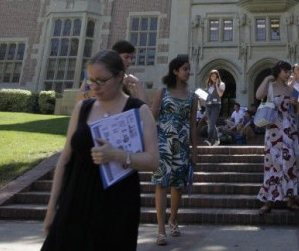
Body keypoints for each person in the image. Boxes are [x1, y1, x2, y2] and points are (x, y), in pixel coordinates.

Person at [42, 50, 159, 251]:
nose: (94, 87)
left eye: (101, 81)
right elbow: (65, 159)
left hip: (117, 204)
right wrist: (52, 207)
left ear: (120, 76)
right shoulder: (83, 108)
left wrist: (118, 155)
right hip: (75, 198)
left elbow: (153, 161)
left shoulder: (139, 110)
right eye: (91, 80)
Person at [150, 55, 198, 246]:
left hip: (182, 145)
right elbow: (152, 117)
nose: (188, 71)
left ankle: (173, 219)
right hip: (162, 144)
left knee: (178, 186)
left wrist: (195, 150)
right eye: (185, 68)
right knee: (161, 184)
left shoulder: (193, 96)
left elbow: (193, 125)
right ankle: (161, 229)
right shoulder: (163, 92)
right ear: (175, 71)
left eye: (189, 68)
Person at [256, 60, 299, 214]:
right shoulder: (270, 86)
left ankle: (291, 200)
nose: (288, 74)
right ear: (278, 71)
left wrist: (295, 104)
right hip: (274, 130)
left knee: (290, 163)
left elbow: (297, 111)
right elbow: (258, 96)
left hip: (288, 129)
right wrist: (266, 79)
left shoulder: (289, 88)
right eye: (286, 71)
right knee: (272, 164)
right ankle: (269, 200)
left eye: (289, 71)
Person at [111, 40, 150, 104]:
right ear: (115, 56)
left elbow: (144, 105)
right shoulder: (105, 78)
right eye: (126, 57)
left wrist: (137, 83)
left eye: (131, 58)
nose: (130, 62)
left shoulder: (131, 81)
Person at [202, 69, 225, 146]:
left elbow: (220, 94)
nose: (213, 78)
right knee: (211, 123)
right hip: (208, 105)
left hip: (216, 105)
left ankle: (209, 140)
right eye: (212, 76)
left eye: (215, 76)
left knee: (211, 123)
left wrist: (216, 85)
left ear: (218, 77)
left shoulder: (221, 84)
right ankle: (216, 139)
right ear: (210, 77)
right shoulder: (209, 85)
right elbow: (206, 96)